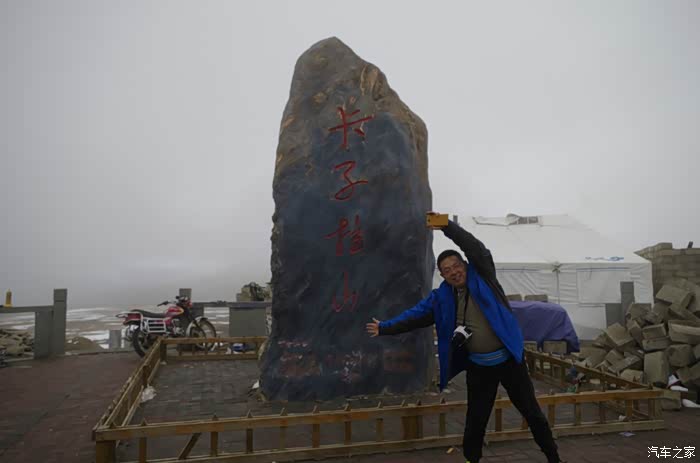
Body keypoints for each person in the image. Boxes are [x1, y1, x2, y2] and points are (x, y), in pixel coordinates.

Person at [365, 213, 562, 463]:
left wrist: (447, 226)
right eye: (447, 270)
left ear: (465, 265)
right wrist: (385, 327)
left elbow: (475, 248)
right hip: (479, 367)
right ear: (442, 275)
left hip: (509, 362)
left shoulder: (485, 278)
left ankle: (554, 457)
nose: (454, 272)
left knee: (532, 413)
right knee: (476, 420)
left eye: (456, 266)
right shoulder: (442, 297)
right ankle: (472, 460)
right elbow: (416, 315)